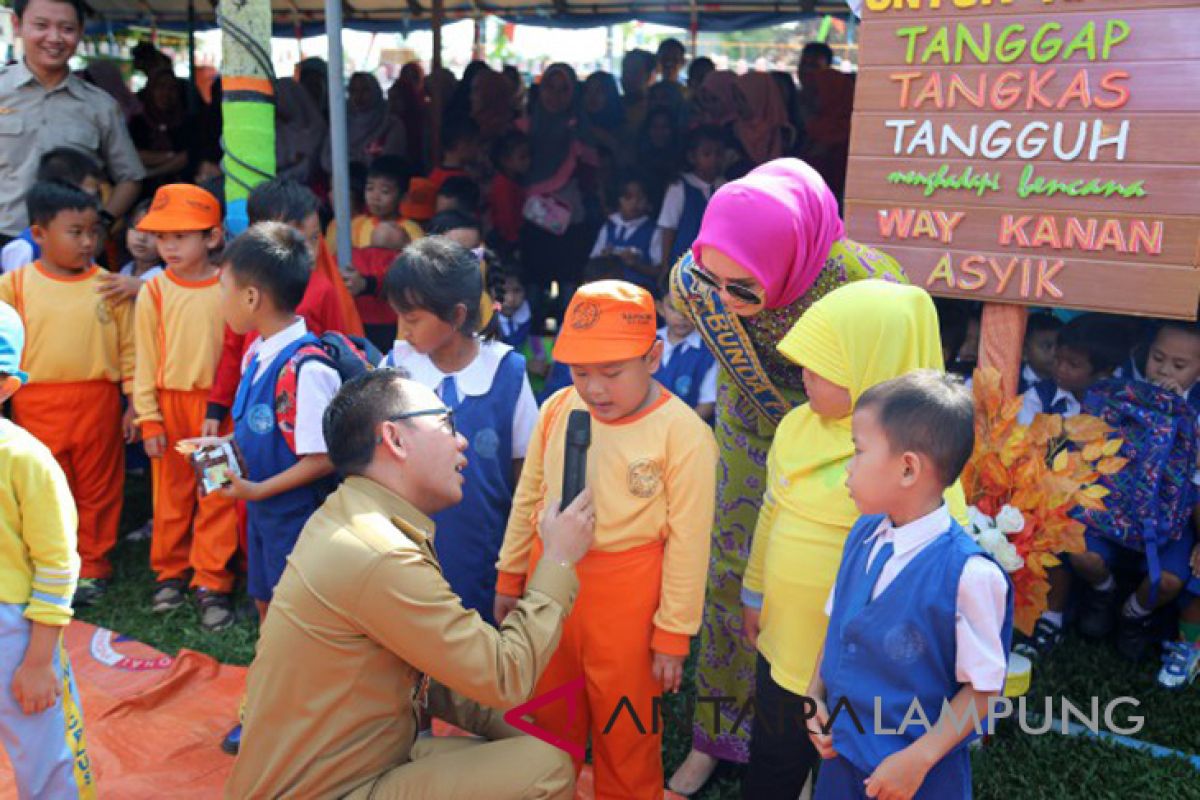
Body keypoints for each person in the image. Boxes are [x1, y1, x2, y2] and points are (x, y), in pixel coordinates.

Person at [225, 369, 588, 798]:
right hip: (329, 788)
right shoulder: (378, 552)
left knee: (531, 728)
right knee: (545, 767)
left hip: (358, 760)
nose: (462, 440)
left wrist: (519, 717)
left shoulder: (352, 516)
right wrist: (560, 558)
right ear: (395, 440)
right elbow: (504, 674)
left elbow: (430, 670)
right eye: (446, 424)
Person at [665, 158, 906, 795]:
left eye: (742, 287)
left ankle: (818, 744)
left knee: (832, 585)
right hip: (753, 428)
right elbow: (728, 331)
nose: (723, 302)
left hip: (849, 435)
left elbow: (900, 379)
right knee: (732, 574)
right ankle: (717, 736)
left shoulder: (865, 282)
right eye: (711, 279)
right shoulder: (697, 282)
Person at [740, 280, 971, 798]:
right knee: (774, 758)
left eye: (821, 366)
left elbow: (936, 567)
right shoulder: (797, 428)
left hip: (869, 671)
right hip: (787, 641)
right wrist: (756, 592)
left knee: (849, 769)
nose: (804, 376)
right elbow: (770, 512)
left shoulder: (916, 466)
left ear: (874, 364)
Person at [494, 280, 718, 799]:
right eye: (581, 371)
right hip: (547, 579)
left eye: (612, 372)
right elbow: (528, 497)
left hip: (627, 595)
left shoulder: (683, 434)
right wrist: (510, 574)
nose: (594, 389)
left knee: (627, 725)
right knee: (544, 715)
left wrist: (672, 633)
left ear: (654, 357)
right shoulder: (556, 410)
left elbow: (689, 543)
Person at [807, 370, 1012, 800]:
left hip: (917, 779)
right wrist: (816, 698)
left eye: (858, 451)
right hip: (840, 766)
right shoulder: (863, 536)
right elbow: (838, 627)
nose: (848, 468)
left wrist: (917, 759)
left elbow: (984, 691)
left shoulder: (970, 575)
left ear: (907, 468)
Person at [380, 238, 538, 624]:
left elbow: (528, 477)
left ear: (455, 315)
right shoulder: (394, 369)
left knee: (478, 652)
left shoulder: (507, 372)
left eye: (413, 319)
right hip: (408, 553)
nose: (403, 330)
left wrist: (520, 564)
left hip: (486, 553)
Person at [0, 181, 134, 607]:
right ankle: (48, 563)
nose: (88, 241)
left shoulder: (109, 285)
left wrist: (131, 401)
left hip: (97, 400)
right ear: (39, 234)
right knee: (45, 485)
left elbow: (130, 346)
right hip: (36, 402)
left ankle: (93, 567)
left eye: (94, 231)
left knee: (99, 487)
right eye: (75, 232)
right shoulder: (14, 285)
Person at [215, 222, 341, 615]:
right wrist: (223, 447)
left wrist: (258, 490)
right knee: (266, 601)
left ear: (251, 297)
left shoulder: (307, 369)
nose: (220, 301)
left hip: (299, 522)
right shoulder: (256, 354)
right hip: (263, 515)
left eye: (223, 290)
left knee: (298, 615)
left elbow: (323, 459)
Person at [132, 184, 239, 631]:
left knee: (215, 493)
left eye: (180, 236)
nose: (168, 246)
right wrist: (148, 417)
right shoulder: (153, 290)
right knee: (171, 492)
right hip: (170, 406)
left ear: (212, 237)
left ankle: (211, 579)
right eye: (161, 237)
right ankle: (170, 573)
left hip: (215, 410)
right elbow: (144, 359)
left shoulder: (230, 285)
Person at [0, 300, 93, 798]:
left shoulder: (26, 460)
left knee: (45, 759)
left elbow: (58, 565)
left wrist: (39, 662)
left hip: (16, 635)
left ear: (7, 386)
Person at [1069, 322, 1200, 663]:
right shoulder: (1120, 388)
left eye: (1180, 365)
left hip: (1171, 518)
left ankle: (1134, 614)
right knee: (1080, 552)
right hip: (1112, 501)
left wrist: (1178, 414)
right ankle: (1103, 592)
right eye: (1158, 358)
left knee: (1168, 581)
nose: (1165, 370)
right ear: (1145, 352)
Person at [1015, 313, 1130, 659]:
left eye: (1073, 364)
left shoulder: (1122, 402)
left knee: (1077, 545)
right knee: (1051, 531)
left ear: (1103, 373)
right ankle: (1048, 616)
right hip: (1055, 493)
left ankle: (1099, 594)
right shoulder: (1040, 395)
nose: (1060, 368)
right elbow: (1029, 443)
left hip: (1109, 501)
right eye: (1058, 357)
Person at [205, 178, 353, 439]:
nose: (306, 250)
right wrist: (216, 408)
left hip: (302, 415)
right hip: (256, 406)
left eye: (314, 238)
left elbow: (340, 349)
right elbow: (232, 350)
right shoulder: (245, 292)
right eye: (292, 238)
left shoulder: (322, 290)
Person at [0, 0, 143, 245]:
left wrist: (103, 223)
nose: (54, 38)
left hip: (72, 249)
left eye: (66, 28)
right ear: (17, 24)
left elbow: (130, 177)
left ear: (80, 31)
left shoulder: (100, 105)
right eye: (41, 25)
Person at [1, 147, 104, 273]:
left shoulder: (84, 244)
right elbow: (15, 289)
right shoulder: (25, 249)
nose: (94, 203)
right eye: (87, 195)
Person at [658, 125, 724, 270]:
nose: (714, 159)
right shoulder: (679, 187)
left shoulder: (724, 187)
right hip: (683, 265)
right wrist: (665, 266)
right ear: (692, 157)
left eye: (718, 154)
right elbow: (669, 229)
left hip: (716, 266)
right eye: (707, 154)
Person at [590, 175, 663, 292]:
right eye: (628, 197)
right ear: (619, 199)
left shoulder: (654, 231)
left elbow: (660, 271)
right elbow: (593, 262)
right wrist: (606, 257)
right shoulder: (609, 226)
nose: (634, 203)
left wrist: (635, 265)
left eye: (640, 198)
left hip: (640, 292)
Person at [655, 291, 717, 423]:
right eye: (673, 308)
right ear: (660, 308)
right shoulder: (647, 342)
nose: (681, 316)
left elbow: (707, 404)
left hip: (688, 430)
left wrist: (678, 430)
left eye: (688, 309)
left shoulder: (710, 352)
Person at [732, 72, 794, 169]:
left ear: (759, 96)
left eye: (743, 98)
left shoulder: (784, 133)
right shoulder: (733, 131)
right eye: (735, 98)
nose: (737, 104)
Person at [487, 130, 530, 252]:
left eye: (529, 155)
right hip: (508, 243)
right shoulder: (503, 185)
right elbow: (507, 216)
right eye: (522, 157)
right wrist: (514, 240)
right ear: (506, 161)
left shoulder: (514, 181)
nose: (528, 161)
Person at [1020, 312, 1062, 393]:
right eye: (1047, 346)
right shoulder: (1013, 380)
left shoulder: (1065, 384)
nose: (1055, 353)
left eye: (1059, 346)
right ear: (1024, 351)